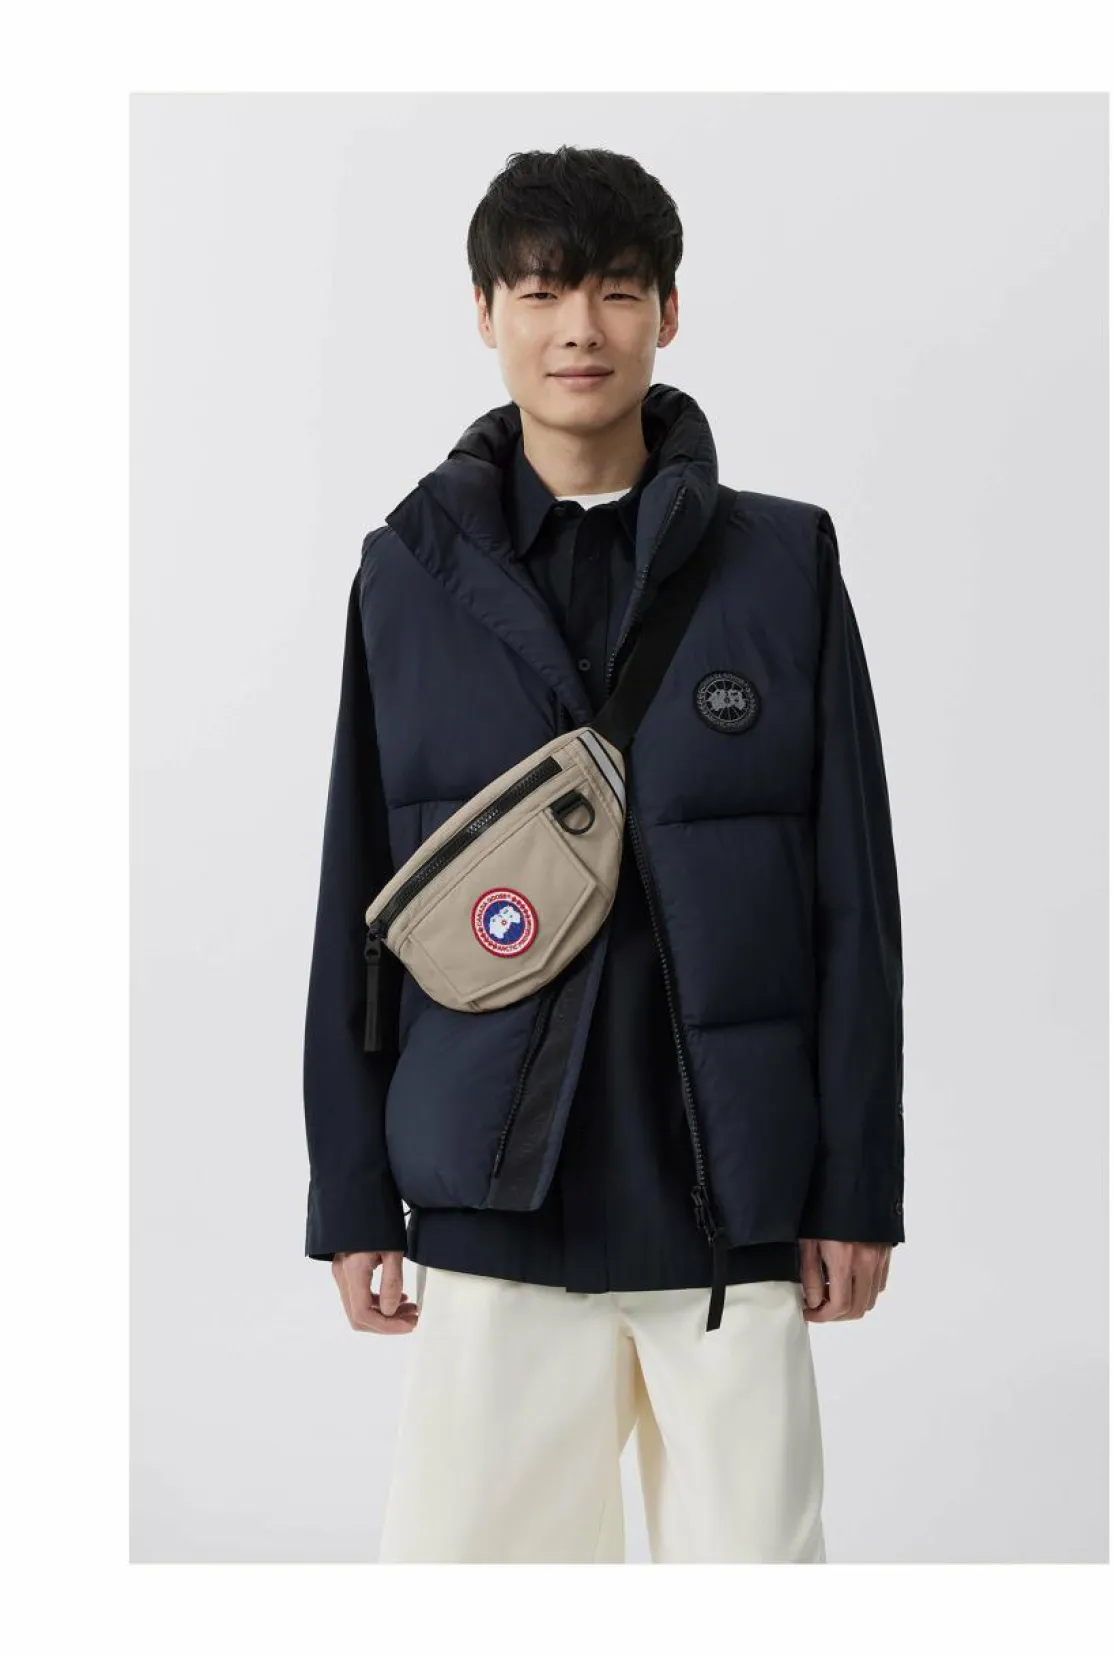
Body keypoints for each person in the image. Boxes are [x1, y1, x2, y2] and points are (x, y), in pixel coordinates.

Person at [302, 145, 905, 1564]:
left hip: (732, 1207)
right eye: (542, 291)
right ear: (486, 312)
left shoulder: (785, 566)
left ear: (668, 313)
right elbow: (354, 900)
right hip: (493, 1196)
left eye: (619, 291)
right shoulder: (407, 576)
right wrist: (351, 1194)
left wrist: (855, 1186)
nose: (581, 327)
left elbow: (854, 902)